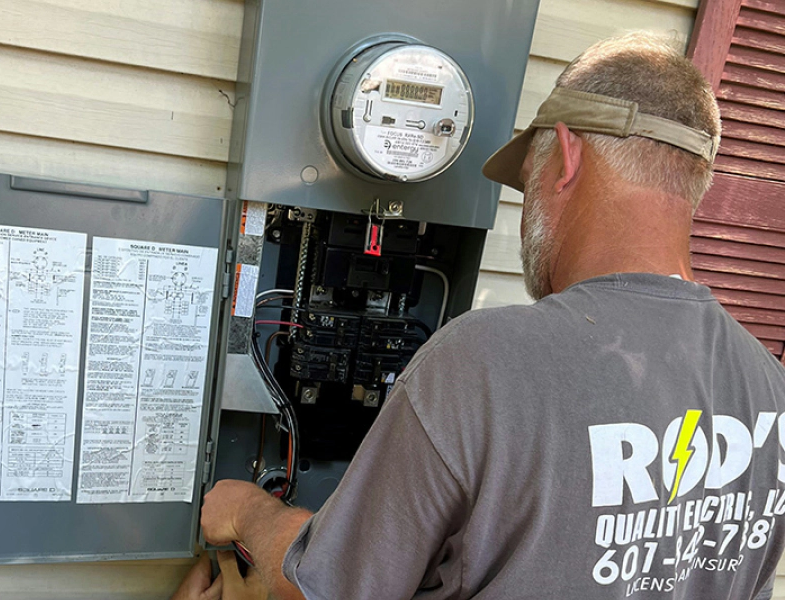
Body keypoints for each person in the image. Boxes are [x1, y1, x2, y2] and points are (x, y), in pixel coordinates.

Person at [197, 32, 785, 599]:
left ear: (567, 157)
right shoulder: (768, 388)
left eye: (528, 181)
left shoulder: (483, 361)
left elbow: (322, 587)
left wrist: (246, 511)